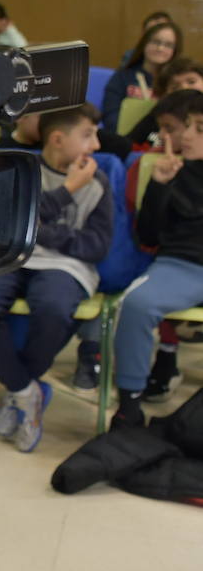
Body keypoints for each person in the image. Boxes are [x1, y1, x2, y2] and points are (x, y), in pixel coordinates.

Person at [0, 104, 113, 452]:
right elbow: (15, 225)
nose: (96, 146)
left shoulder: (99, 181)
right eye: (88, 135)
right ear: (58, 139)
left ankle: (18, 389)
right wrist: (68, 189)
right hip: (14, 257)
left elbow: (98, 245)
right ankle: (26, 392)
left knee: (54, 307)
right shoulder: (21, 171)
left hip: (66, 264)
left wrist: (45, 235)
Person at [112, 96, 203, 428]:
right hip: (183, 267)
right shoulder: (175, 170)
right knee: (136, 303)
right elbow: (149, 235)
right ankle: (129, 405)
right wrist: (159, 187)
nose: (188, 136)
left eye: (200, 129)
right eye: (189, 127)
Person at [101, 20, 183, 132]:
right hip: (125, 139)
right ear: (144, 44)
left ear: (175, 51)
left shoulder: (178, 81)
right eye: (155, 42)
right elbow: (110, 116)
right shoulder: (122, 77)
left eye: (168, 45)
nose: (160, 48)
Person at [124, 57, 203, 147]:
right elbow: (129, 143)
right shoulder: (160, 113)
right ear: (165, 94)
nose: (184, 88)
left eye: (191, 82)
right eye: (175, 87)